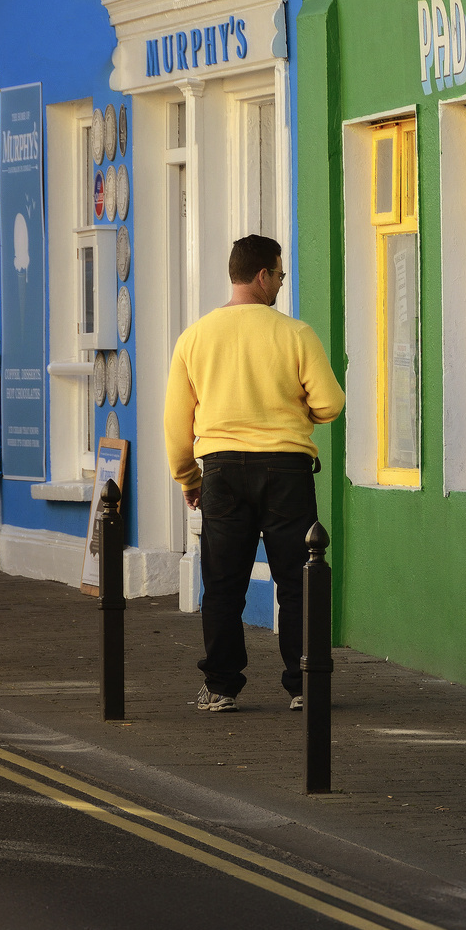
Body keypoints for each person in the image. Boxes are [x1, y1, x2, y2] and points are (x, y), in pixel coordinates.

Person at [164, 235, 344, 712]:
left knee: (223, 583)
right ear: (262, 275)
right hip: (286, 469)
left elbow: (176, 426)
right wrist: (298, 411)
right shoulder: (296, 335)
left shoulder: (195, 338)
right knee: (297, 580)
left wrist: (189, 479)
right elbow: (330, 403)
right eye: (280, 275)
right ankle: (305, 684)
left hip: (221, 472)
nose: (281, 283)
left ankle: (221, 686)